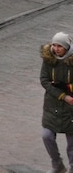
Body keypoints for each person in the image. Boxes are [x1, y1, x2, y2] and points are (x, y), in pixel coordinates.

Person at [42, 32, 73, 173]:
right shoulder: (49, 59)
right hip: (52, 105)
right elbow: (44, 80)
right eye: (54, 45)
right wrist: (63, 95)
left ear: (66, 47)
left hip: (71, 108)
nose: (55, 49)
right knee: (47, 136)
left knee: (72, 144)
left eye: (59, 46)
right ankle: (57, 164)